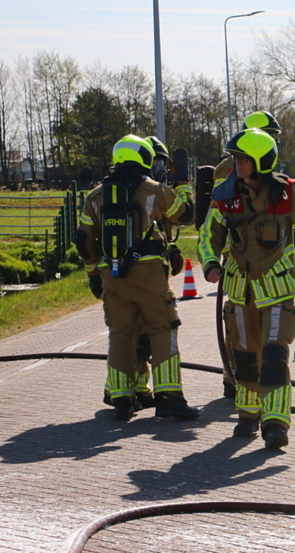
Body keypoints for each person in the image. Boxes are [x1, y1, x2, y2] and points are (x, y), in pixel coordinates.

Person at [198, 128, 295, 449]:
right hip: (240, 294)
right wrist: (211, 263)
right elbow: (207, 236)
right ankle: (247, 415)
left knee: (273, 358)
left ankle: (275, 423)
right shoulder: (225, 194)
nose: (237, 164)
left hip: (278, 293)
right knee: (244, 359)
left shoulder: (290, 194)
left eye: (243, 159)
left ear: (262, 161)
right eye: (236, 158)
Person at [76, 134, 200, 421]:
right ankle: (169, 397)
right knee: (162, 328)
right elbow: (186, 214)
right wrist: (182, 183)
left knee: (120, 334)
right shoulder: (153, 190)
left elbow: (84, 240)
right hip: (149, 274)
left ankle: (122, 398)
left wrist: (94, 274)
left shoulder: (95, 196)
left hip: (112, 275)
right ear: (144, 158)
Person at [210, 110, 283, 399]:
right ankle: (236, 377)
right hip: (239, 254)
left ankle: (265, 375)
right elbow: (219, 215)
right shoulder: (231, 168)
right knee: (238, 321)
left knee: (270, 321)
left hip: (270, 258)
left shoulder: (268, 168)